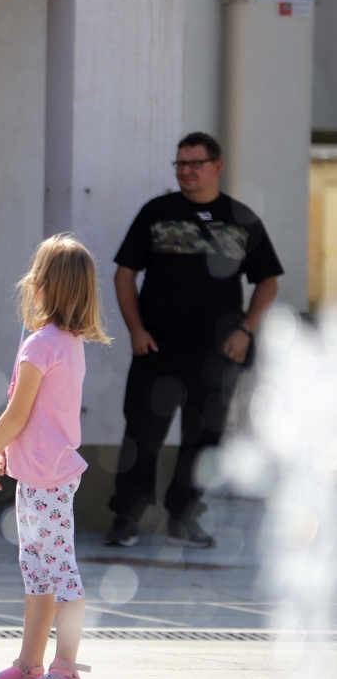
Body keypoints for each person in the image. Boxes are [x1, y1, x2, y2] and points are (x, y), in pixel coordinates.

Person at [105, 133, 282, 549]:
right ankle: (127, 518)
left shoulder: (241, 218)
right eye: (180, 164)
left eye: (194, 164)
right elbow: (124, 274)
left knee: (204, 440)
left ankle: (183, 518)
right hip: (156, 351)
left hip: (218, 355)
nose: (186, 171)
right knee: (142, 436)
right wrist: (135, 330)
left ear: (216, 166)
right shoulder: (157, 213)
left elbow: (268, 281)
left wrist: (246, 330)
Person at [0, 235, 110, 679]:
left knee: (57, 570)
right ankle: (29, 664)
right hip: (39, 474)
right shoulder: (67, 343)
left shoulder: (41, 344)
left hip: (45, 478)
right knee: (38, 570)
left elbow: (17, 411)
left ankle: (65, 667)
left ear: (41, 284)